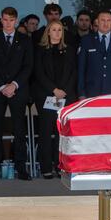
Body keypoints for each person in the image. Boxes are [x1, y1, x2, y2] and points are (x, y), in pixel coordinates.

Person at [0, 7, 33, 181]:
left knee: (20, 131)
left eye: (11, 20)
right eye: (5, 20)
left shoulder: (25, 40)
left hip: (18, 90)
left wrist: (13, 85)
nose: (8, 23)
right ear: (1, 19)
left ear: (16, 20)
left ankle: (21, 169)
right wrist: (1, 87)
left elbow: (28, 66)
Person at [33, 20, 77, 179]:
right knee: (45, 132)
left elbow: (73, 72)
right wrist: (54, 90)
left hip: (66, 95)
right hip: (46, 95)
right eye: (54, 30)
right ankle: (46, 167)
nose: (57, 32)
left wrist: (63, 90)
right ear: (48, 32)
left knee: (62, 133)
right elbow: (38, 72)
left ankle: (61, 166)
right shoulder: (40, 50)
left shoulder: (70, 50)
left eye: (60, 30)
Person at [78, 9, 111, 99]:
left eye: (108, 20)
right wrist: (81, 93)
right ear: (97, 22)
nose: (105, 23)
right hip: (91, 92)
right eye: (102, 20)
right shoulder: (86, 41)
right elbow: (81, 69)